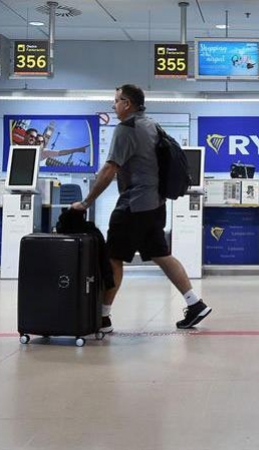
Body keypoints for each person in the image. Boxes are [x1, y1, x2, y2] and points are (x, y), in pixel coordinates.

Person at [71, 84, 211, 332]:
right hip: (155, 204)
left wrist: (86, 203)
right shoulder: (152, 125)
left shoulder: (126, 129)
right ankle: (195, 303)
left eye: (115, 101)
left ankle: (102, 318)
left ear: (127, 103)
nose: (113, 106)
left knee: (114, 258)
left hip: (133, 206)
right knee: (161, 255)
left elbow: (109, 170)